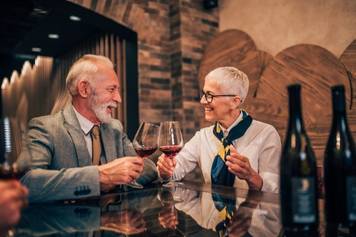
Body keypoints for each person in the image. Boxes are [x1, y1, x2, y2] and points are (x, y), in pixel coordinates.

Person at [18, 54, 157, 202]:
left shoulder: (115, 128)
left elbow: (147, 168)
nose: (118, 98)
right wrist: (101, 176)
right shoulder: (45, 128)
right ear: (84, 89)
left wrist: (120, 178)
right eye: (111, 89)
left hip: (114, 223)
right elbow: (26, 182)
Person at [157, 67, 281, 193]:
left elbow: (274, 190)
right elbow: (175, 170)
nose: (203, 101)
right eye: (204, 94)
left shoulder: (266, 134)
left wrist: (251, 176)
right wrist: (166, 169)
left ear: (234, 102)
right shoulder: (202, 136)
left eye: (209, 95)